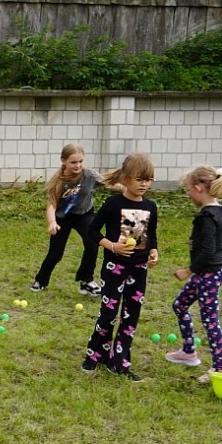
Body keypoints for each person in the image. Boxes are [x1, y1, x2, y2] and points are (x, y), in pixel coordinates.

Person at [82, 153, 160, 382]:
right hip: (115, 268)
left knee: (131, 316)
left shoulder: (151, 206)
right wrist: (113, 246)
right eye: (139, 179)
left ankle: (120, 363)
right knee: (108, 314)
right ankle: (95, 356)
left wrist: (153, 252)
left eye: (149, 179)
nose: (144, 184)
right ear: (125, 179)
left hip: (139, 269)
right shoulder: (113, 204)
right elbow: (92, 231)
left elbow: (151, 235)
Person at [165, 166, 222, 384]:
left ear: (197, 188)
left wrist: (188, 270)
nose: (188, 195)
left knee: (210, 320)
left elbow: (206, 251)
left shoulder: (206, 217)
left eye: (188, 190)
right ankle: (188, 352)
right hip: (211, 271)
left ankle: (220, 369)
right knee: (180, 305)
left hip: (207, 274)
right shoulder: (220, 211)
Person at [30, 143, 112, 295]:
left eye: (80, 161)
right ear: (64, 161)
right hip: (63, 218)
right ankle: (40, 280)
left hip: (84, 214)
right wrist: (52, 222)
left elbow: (110, 183)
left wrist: (127, 189)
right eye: (73, 162)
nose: (78, 165)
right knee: (55, 253)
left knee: (92, 243)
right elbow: (52, 205)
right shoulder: (59, 181)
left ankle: (86, 281)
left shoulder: (89, 175)